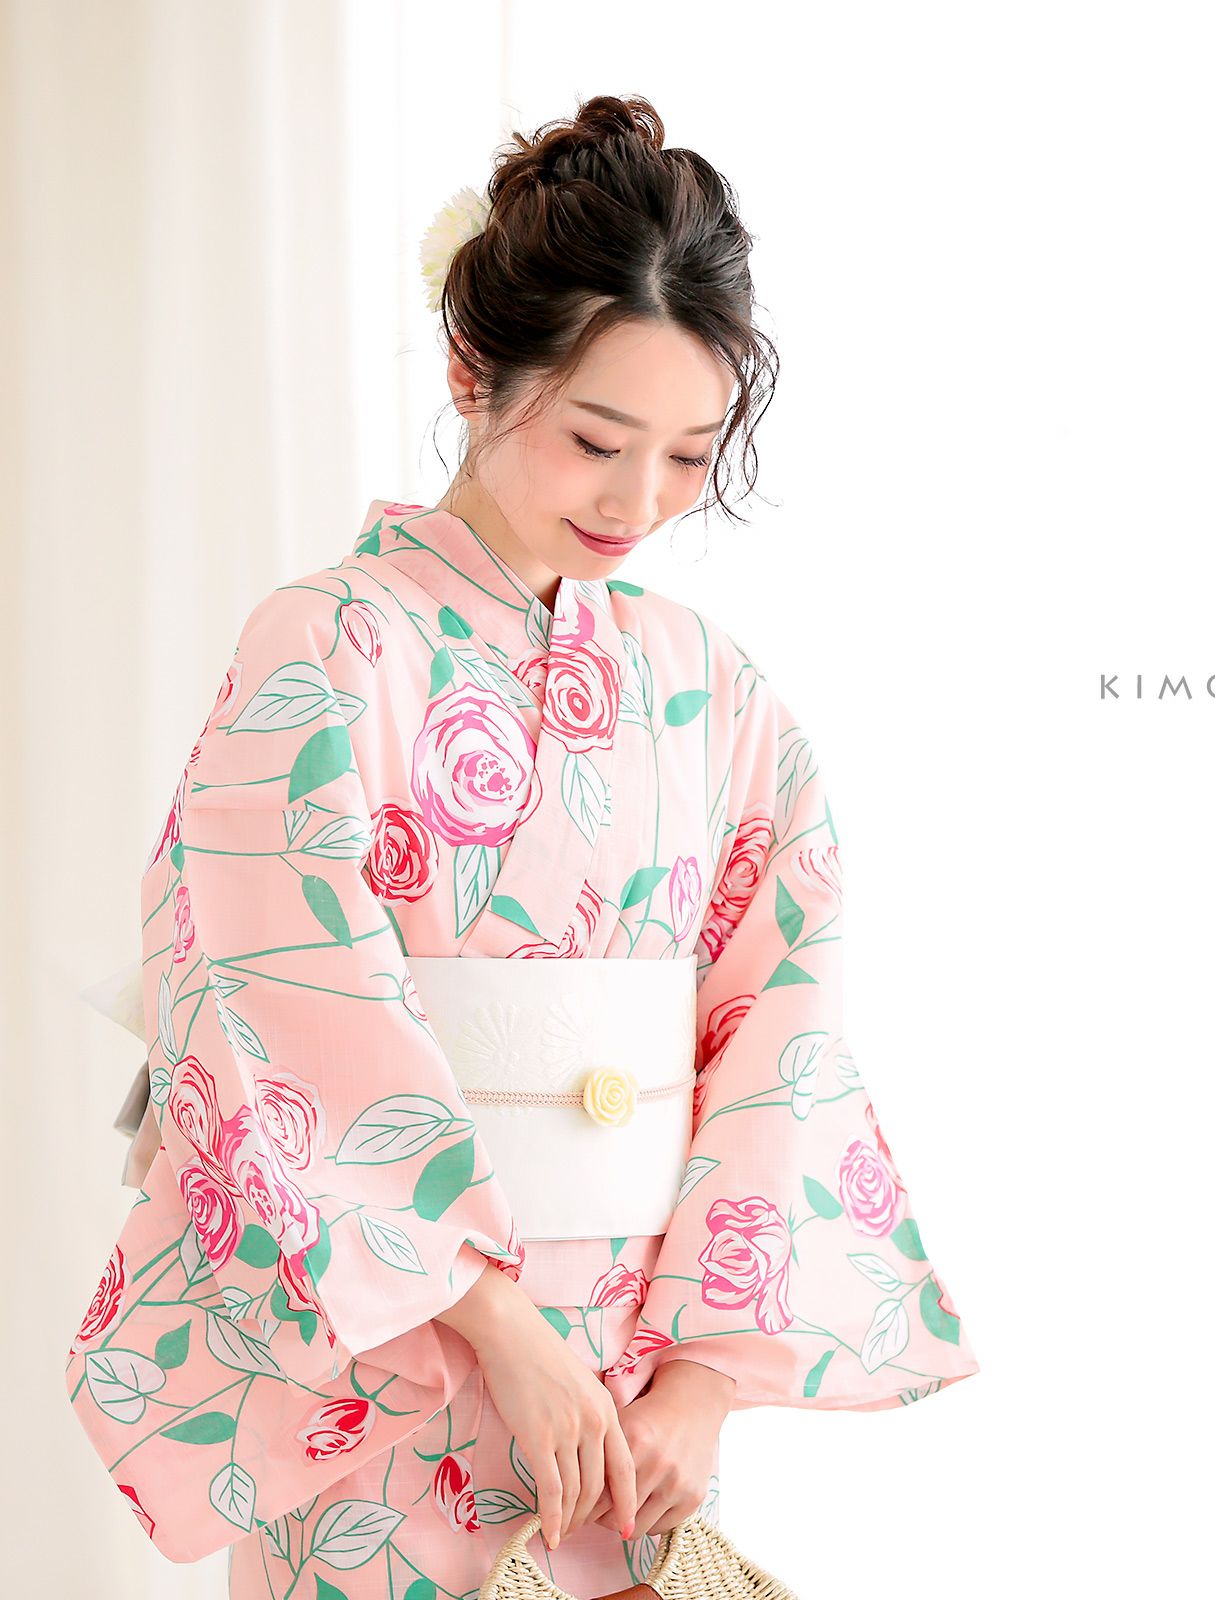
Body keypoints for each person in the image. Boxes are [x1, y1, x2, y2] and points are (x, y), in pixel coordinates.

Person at [63, 94, 980, 1599]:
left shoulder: (715, 691)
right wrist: (495, 1325)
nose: (637, 502)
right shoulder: (330, 648)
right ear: (470, 369)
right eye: (596, 441)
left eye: (689, 455)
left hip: (638, 1376)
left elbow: (783, 1028)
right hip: (400, 1354)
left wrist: (701, 1380)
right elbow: (268, 1005)